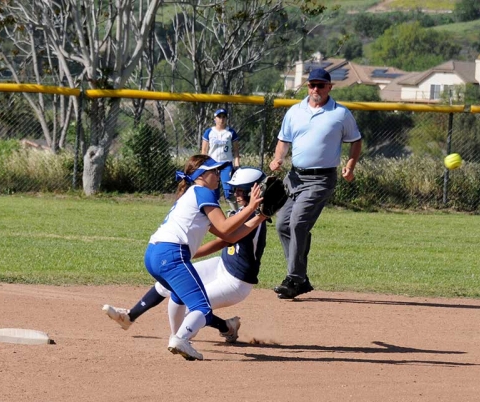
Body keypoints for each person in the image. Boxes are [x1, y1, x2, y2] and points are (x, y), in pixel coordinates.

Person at [119, 155, 264, 361]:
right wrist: (251, 208)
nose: (217, 175)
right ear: (203, 175)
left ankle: (177, 336)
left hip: (153, 254)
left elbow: (228, 236)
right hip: (171, 255)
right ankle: (181, 338)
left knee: (178, 296)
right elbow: (224, 227)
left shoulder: (191, 194)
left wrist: (260, 216)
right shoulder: (203, 192)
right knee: (202, 309)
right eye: (214, 171)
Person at [269, 68, 363, 300]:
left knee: (299, 223)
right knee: (282, 226)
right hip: (294, 177)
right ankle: (301, 277)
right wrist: (277, 157)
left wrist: (350, 166)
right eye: (312, 85)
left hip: (321, 178)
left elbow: (356, 141)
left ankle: (293, 279)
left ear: (330, 87)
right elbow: (283, 140)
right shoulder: (295, 111)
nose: (315, 89)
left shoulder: (340, 114)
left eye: (321, 85)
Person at [201, 108, 240, 211]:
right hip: (212, 164)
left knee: (229, 191)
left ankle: (236, 213)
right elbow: (204, 150)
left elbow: (236, 150)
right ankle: (214, 214)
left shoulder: (230, 132)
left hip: (226, 164)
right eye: (219, 117)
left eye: (224, 117)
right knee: (213, 190)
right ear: (215, 119)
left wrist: (236, 163)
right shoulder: (209, 132)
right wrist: (204, 165)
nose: (221, 119)